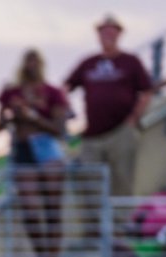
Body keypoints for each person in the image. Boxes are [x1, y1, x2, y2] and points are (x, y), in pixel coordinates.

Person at [0, 49, 72, 257]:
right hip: (22, 149)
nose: (31, 66)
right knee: (29, 208)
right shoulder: (12, 92)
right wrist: (10, 112)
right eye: (27, 61)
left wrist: (32, 117)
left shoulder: (53, 92)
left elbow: (59, 129)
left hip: (46, 147)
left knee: (52, 206)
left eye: (35, 61)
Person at [65, 15, 153, 198]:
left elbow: (146, 91)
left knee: (122, 183)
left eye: (112, 30)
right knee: (90, 186)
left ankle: (120, 226)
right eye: (104, 30)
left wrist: (133, 119)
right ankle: (96, 226)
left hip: (121, 132)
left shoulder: (131, 61)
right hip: (92, 136)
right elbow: (65, 88)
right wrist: (66, 110)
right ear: (98, 34)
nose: (108, 34)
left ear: (119, 34)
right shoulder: (87, 63)